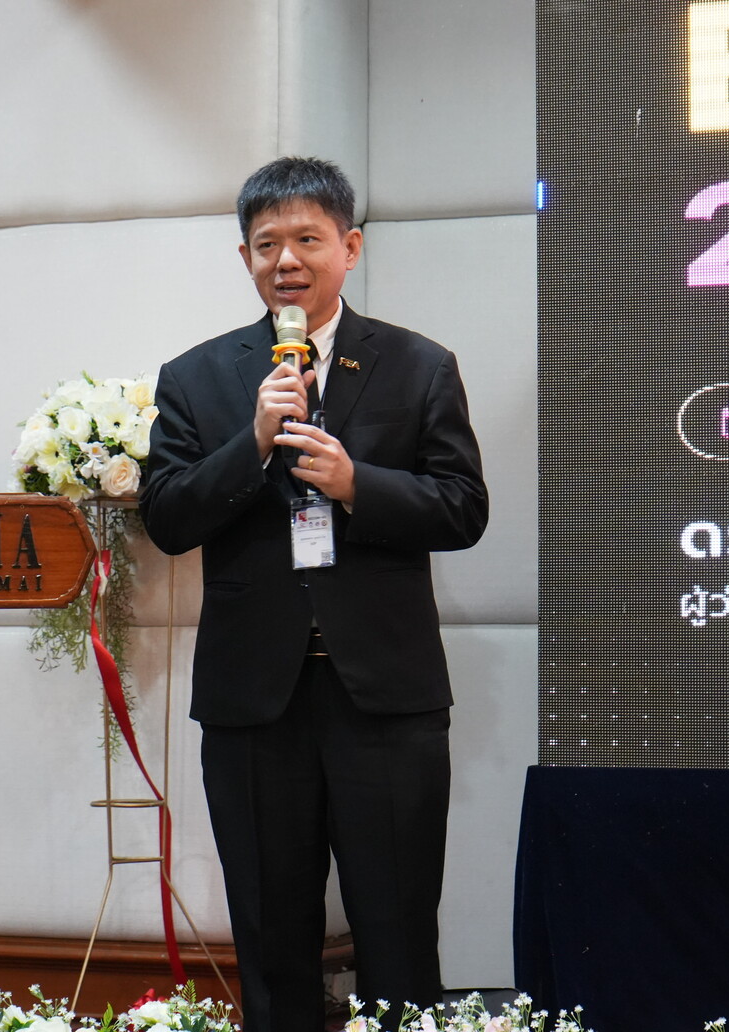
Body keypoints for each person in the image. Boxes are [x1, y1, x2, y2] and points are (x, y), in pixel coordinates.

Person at [140, 156, 488, 1032]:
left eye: (307, 239)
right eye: (266, 245)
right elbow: (168, 519)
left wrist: (356, 483)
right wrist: (252, 443)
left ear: (350, 247)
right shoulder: (197, 378)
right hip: (255, 704)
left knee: (398, 932)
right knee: (271, 938)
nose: (286, 260)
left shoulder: (418, 365)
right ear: (246, 259)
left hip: (386, 700)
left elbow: (462, 508)